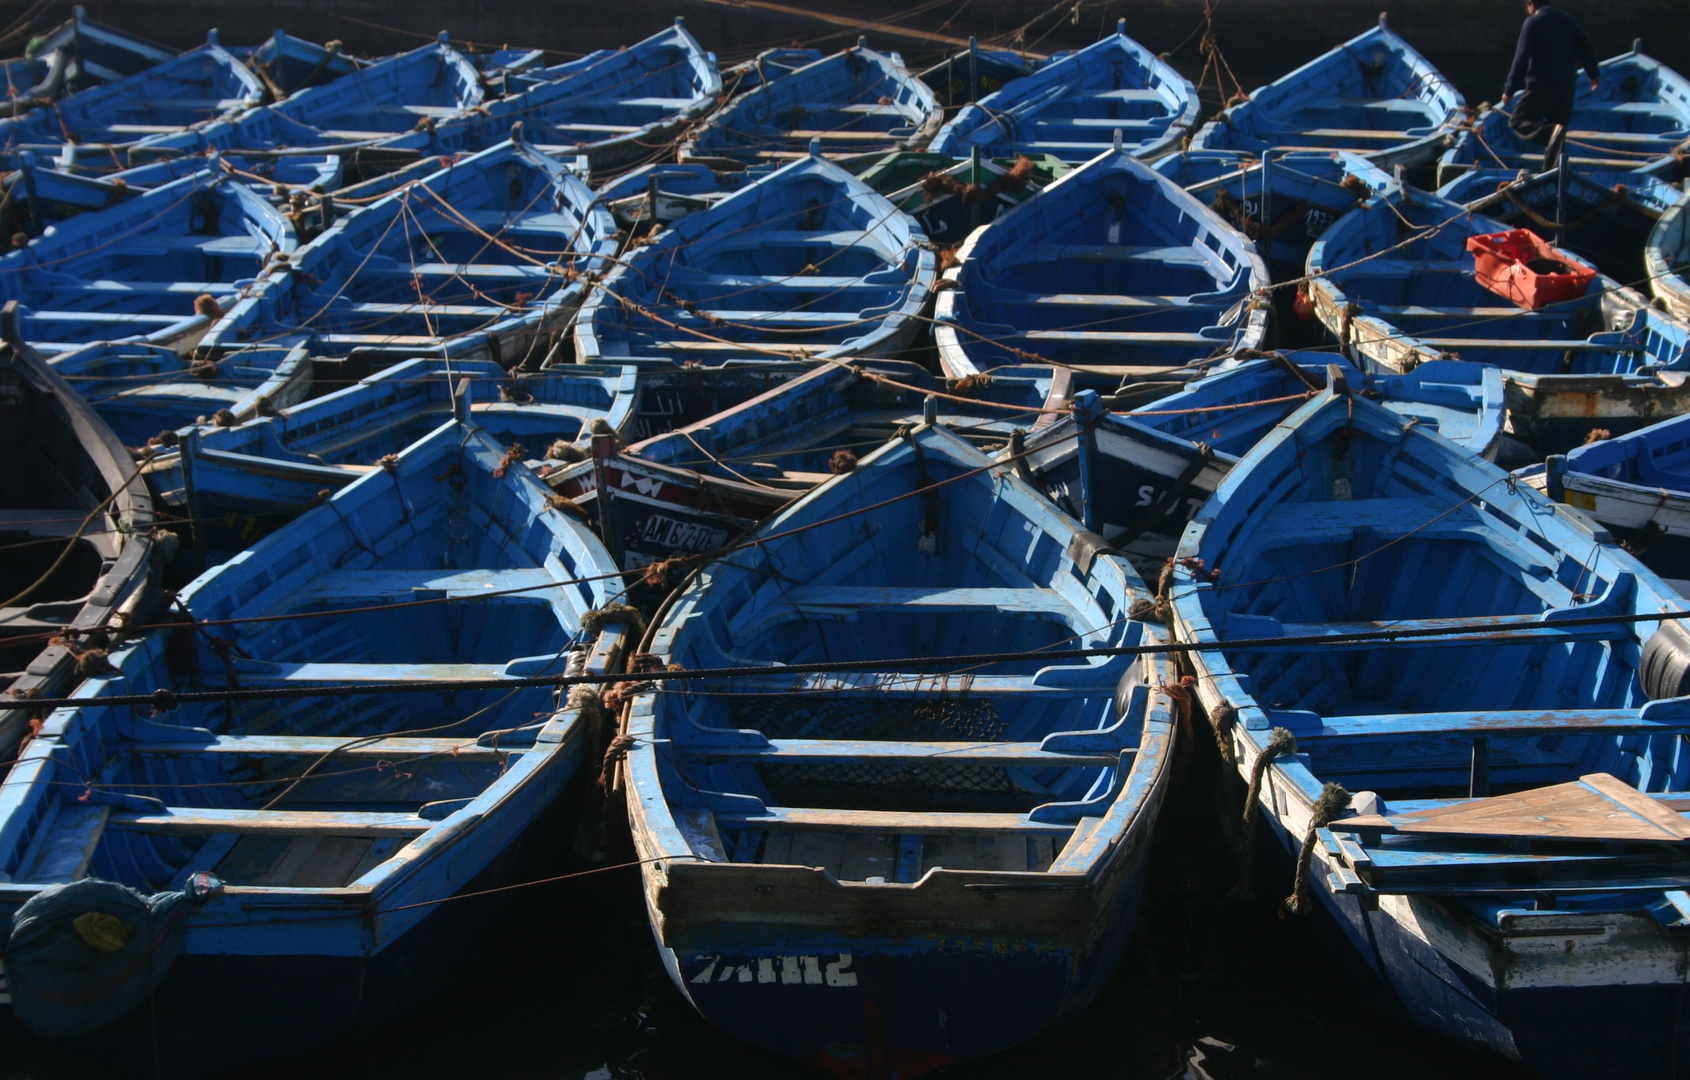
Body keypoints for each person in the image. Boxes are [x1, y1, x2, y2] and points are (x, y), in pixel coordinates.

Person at [1500, 0, 1602, 164]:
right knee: (1557, 142)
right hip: (1567, 87)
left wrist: (1509, 89)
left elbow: (1521, 60)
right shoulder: (1566, 19)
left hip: (1542, 86)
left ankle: (1551, 133)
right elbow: (1585, 46)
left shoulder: (1532, 23)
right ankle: (1552, 176)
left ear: (1531, 3)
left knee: (1518, 121)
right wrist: (1593, 74)